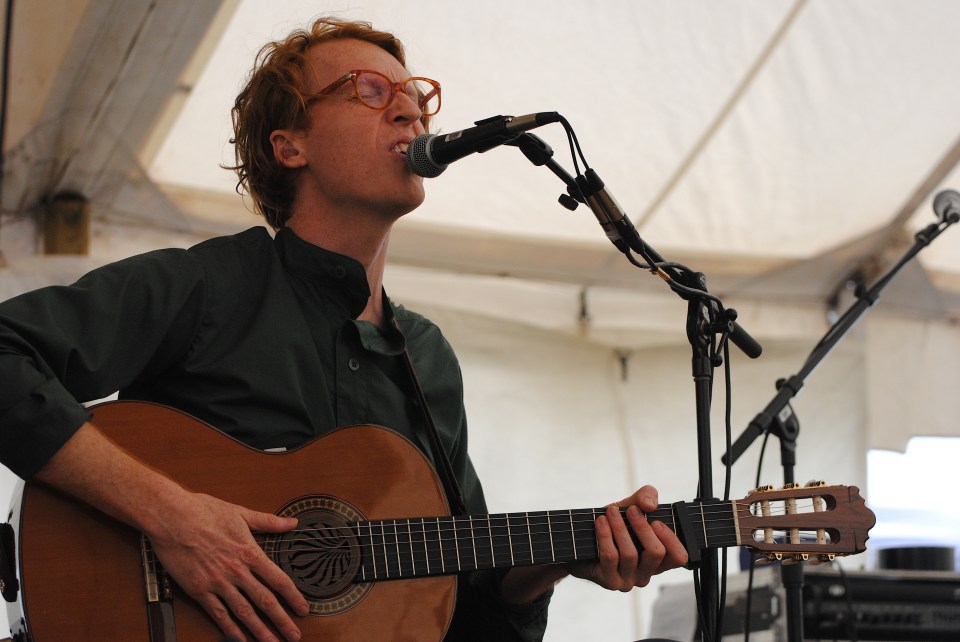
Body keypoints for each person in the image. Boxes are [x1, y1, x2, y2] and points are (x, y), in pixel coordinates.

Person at [0, 17, 687, 642]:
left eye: (415, 95)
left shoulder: (427, 359)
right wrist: (173, 518)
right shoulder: (211, 287)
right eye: (367, 89)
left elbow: (461, 616)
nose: (408, 107)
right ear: (290, 145)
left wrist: (555, 562)